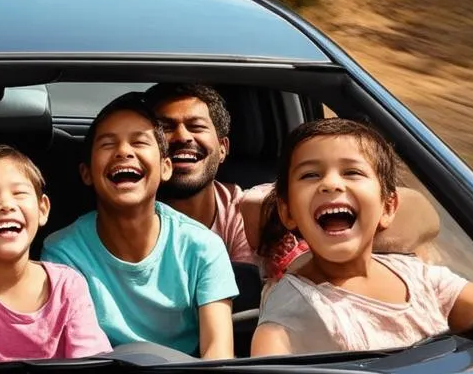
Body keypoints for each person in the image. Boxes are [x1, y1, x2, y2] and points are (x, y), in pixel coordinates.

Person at [250, 118, 473, 356]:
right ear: (288, 212)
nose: (331, 183)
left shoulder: (418, 275)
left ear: (388, 208)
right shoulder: (290, 310)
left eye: (352, 172)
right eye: (310, 175)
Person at [146, 84, 440, 276]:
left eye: (196, 126)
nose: (182, 137)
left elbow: (424, 216)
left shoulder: (255, 207)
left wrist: (286, 213)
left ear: (223, 148)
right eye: (166, 128)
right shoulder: (114, 215)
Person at [41, 93, 237, 359]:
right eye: (108, 144)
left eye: (139, 142)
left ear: (166, 167)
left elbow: (218, 353)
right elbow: (71, 354)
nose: (124, 151)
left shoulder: (203, 247)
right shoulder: (62, 253)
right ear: (86, 173)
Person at [0, 145, 110, 366]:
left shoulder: (68, 286)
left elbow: (92, 368)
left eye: (19, 193)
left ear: (43, 209)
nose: (6, 205)